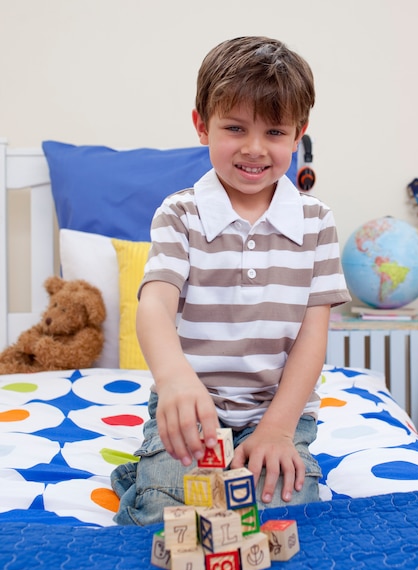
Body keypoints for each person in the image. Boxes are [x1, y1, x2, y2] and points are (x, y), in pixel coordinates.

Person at [111, 35, 350, 525]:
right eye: (235, 128)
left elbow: (312, 335)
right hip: (194, 409)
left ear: (298, 133)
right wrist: (175, 381)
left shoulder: (317, 221)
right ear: (202, 125)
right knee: (168, 510)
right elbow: (155, 304)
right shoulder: (180, 214)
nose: (254, 149)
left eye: (275, 133)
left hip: (278, 410)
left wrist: (279, 431)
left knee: (285, 511)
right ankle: (144, 473)